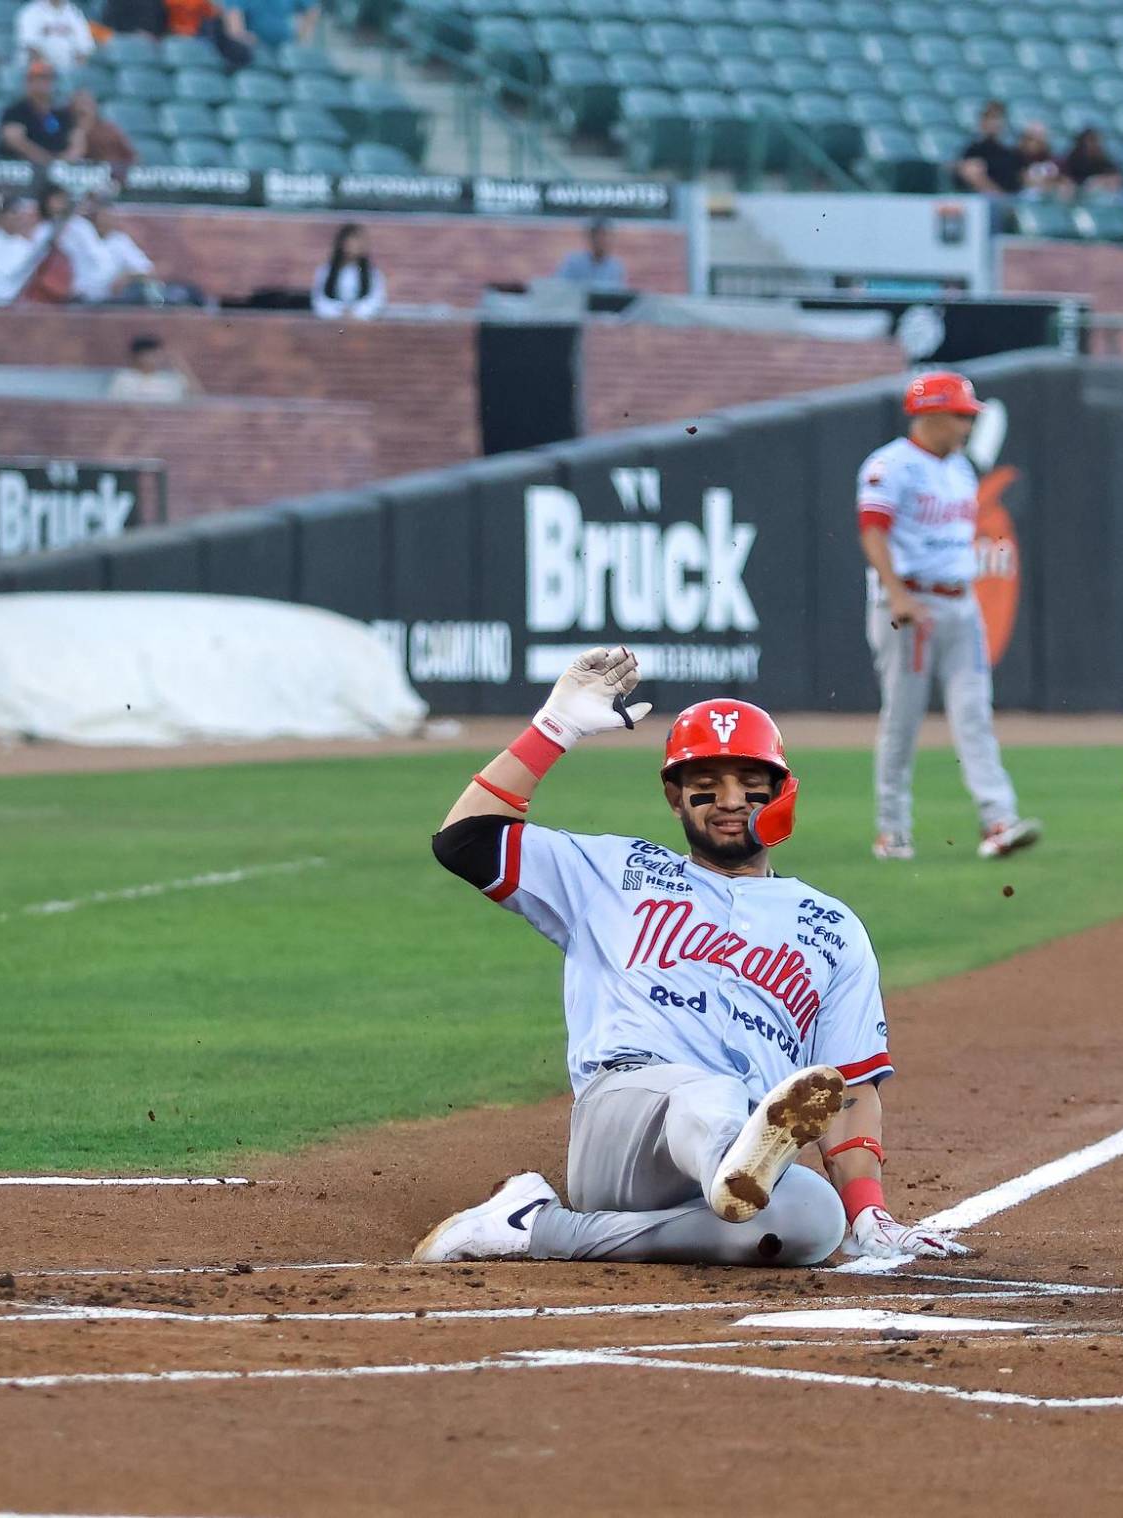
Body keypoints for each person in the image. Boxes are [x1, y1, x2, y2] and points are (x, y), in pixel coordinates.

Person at [411, 652, 965, 1268]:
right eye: (706, 785)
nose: (730, 800)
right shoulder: (612, 872)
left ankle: (533, 1227)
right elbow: (463, 842)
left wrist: (869, 1213)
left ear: (782, 792)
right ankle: (735, 1157)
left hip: (735, 1163)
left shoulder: (833, 928)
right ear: (674, 797)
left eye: (750, 784)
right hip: (625, 1123)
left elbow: (852, 1090)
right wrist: (555, 728)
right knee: (711, 1094)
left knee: (817, 1223)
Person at [856, 369, 1042, 863]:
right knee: (902, 720)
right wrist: (895, 594)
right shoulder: (890, 465)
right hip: (911, 605)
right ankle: (890, 831)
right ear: (932, 414)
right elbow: (872, 531)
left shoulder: (960, 469)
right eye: (961, 415)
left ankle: (998, 820)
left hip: (961, 602)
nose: (968, 424)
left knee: (975, 715)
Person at [62, 195, 153, 300]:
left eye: (111, 216)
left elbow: (147, 270)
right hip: (79, 298)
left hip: (111, 300)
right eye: (104, 216)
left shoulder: (120, 241)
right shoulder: (80, 233)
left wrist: (127, 276)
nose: (108, 220)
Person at [0, 61, 82, 166]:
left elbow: (77, 140)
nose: (42, 84)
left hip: (61, 168)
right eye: (37, 79)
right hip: (24, 168)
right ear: (28, 83)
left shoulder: (63, 114)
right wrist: (46, 161)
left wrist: (65, 162)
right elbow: (13, 139)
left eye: (47, 79)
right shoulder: (15, 111)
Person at [310, 222, 384, 320]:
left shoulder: (372, 273)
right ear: (341, 244)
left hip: (361, 324)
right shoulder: (326, 271)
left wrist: (356, 313)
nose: (352, 246)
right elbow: (319, 300)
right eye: (349, 242)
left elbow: (376, 301)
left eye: (357, 242)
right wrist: (339, 311)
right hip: (332, 324)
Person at [954, 100, 1020, 196]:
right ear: (982, 121)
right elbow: (961, 175)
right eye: (989, 118)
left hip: (1013, 197)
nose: (993, 123)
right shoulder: (973, 149)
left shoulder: (1011, 151)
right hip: (981, 201)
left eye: (997, 118)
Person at [107, 332, 195, 399]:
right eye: (151, 354)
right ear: (138, 356)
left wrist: (182, 367)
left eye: (158, 354)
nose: (157, 358)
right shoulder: (123, 378)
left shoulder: (170, 379)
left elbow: (194, 401)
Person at [14, 0, 95, 71]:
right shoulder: (30, 12)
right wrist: (50, 69)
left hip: (69, 74)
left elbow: (85, 49)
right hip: (38, 74)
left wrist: (76, 73)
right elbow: (31, 48)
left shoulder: (75, 13)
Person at [69, 88, 136, 171]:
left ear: (94, 107)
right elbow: (69, 161)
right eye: (80, 104)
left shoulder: (109, 130)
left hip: (115, 175)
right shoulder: (66, 132)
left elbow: (132, 157)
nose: (84, 108)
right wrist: (80, 136)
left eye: (87, 104)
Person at [554, 216, 626, 290]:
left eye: (604, 235)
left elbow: (617, 295)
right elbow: (559, 288)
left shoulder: (616, 267)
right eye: (597, 235)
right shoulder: (573, 263)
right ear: (590, 237)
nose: (601, 240)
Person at [1061, 126, 1123, 196]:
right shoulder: (1072, 160)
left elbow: (1117, 175)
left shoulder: (1102, 159)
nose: (1096, 144)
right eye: (1092, 140)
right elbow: (1066, 178)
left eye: (1098, 141)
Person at [223, 0, 315, 48]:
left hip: (284, 49)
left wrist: (301, 39)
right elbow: (235, 32)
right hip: (255, 53)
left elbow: (312, 9)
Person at [1014, 121, 1061, 198]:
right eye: (1031, 139)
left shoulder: (1053, 161)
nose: (1034, 143)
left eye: (1039, 140)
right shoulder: (1012, 159)